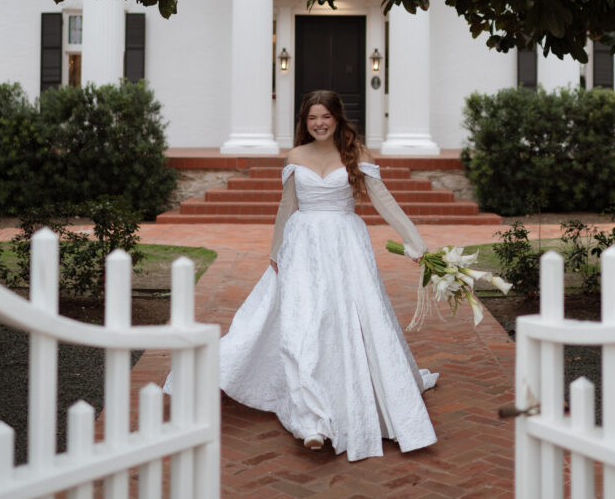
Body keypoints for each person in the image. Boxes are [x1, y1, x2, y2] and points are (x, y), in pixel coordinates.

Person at [166, 90, 438, 462]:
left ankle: (345, 398)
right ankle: (311, 420)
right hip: (302, 246)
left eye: (325, 116)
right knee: (303, 324)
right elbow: (287, 206)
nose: (319, 123)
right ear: (304, 122)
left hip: (346, 246)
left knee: (345, 321)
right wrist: (276, 251)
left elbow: (383, 200)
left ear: (338, 118)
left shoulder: (356, 154)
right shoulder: (295, 156)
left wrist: (415, 242)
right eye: (312, 118)